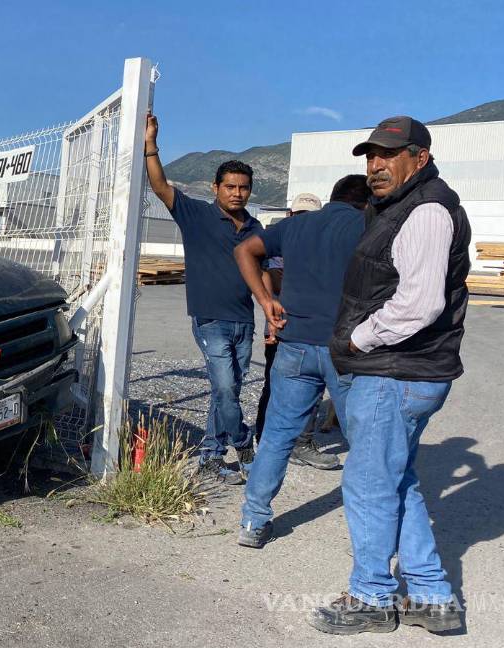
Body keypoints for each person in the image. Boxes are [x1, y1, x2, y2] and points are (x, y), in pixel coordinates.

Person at [309, 116, 470, 635]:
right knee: (397, 479)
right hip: (405, 370)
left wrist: (357, 339)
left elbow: (419, 305)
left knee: (369, 485)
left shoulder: (424, 211)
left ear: (419, 158)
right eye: (370, 155)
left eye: (388, 155)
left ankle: (371, 597)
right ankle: (432, 598)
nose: (375, 165)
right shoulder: (401, 206)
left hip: (395, 371)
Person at [233, 175, 370, 550]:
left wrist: (265, 300)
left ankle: (253, 520)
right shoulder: (369, 225)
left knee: (277, 436)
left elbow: (244, 250)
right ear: (366, 201)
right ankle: (369, 531)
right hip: (348, 349)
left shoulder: (295, 224)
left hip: (294, 345)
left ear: (332, 198)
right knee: (365, 441)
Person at [144, 113, 260, 485]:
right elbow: (161, 186)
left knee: (226, 390)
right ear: (215, 188)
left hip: (245, 320)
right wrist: (151, 144)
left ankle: (210, 456)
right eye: (229, 186)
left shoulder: (255, 228)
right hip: (211, 319)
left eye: (243, 187)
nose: (236, 193)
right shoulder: (195, 214)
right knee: (226, 387)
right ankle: (242, 443)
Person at [253, 193, 341, 470]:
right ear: (291, 216)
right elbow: (269, 276)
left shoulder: (324, 247)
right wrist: (269, 305)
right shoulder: (280, 244)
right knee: (276, 387)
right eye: (300, 216)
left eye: (310, 217)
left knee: (311, 389)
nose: (304, 222)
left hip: (313, 330)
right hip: (284, 326)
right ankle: (268, 439)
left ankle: (300, 442)